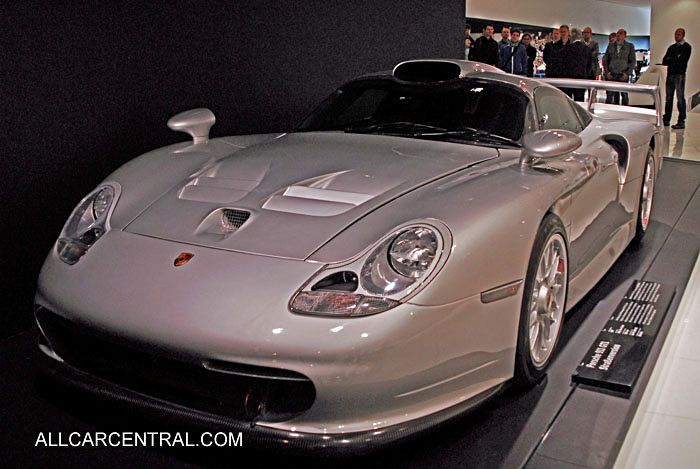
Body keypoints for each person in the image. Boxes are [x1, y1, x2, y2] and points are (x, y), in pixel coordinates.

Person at [662, 28, 692, 129]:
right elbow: (665, 60)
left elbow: (682, 61)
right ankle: (666, 119)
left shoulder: (687, 47)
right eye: (675, 34)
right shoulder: (672, 47)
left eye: (678, 34)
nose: (676, 36)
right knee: (668, 98)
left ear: (683, 35)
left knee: (680, 98)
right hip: (670, 74)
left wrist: (672, 59)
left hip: (679, 75)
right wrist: (674, 58)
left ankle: (681, 120)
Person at [603, 28, 635, 105]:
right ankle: (608, 112)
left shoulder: (629, 46)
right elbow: (606, 60)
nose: (618, 35)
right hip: (612, 74)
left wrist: (627, 73)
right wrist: (607, 73)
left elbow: (632, 61)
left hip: (623, 74)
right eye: (617, 33)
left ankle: (624, 112)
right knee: (609, 96)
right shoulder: (610, 45)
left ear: (625, 36)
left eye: (620, 33)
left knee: (624, 95)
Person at [562, 28, 593, 101]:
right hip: (581, 81)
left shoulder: (567, 48)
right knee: (579, 102)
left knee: (568, 103)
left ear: (572, 36)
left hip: (568, 81)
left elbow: (563, 64)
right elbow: (589, 67)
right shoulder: (587, 49)